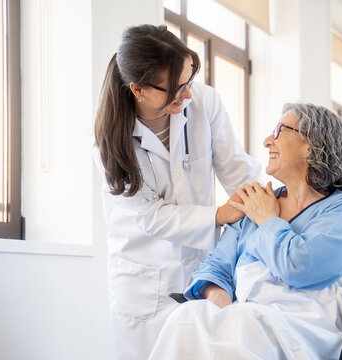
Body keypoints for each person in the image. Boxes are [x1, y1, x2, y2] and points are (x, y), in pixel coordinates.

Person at [149, 103, 342, 360]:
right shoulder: (257, 202)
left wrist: (268, 219)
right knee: (186, 316)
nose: (268, 141)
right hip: (250, 319)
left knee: (246, 323)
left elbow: (300, 267)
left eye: (280, 130)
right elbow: (215, 269)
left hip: (308, 330)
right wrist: (222, 305)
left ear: (311, 144)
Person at [92, 24, 261, 359]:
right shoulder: (111, 143)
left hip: (202, 272)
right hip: (144, 284)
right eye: (175, 88)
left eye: (189, 80)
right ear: (138, 90)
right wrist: (218, 215)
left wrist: (282, 202)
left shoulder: (204, 103)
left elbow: (237, 168)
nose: (187, 94)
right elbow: (150, 216)